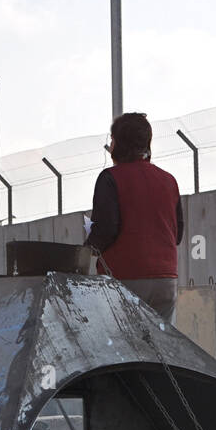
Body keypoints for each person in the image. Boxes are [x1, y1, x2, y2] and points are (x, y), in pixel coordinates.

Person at [85, 111, 184, 323]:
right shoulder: (169, 181)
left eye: (112, 140)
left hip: (124, 278)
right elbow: (177, 234)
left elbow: (107, 229)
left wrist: (88, 248)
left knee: (123, 349)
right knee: (163, 349)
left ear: (119, 143)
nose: (110, 146)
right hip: (166, 279)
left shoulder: (110, 178)